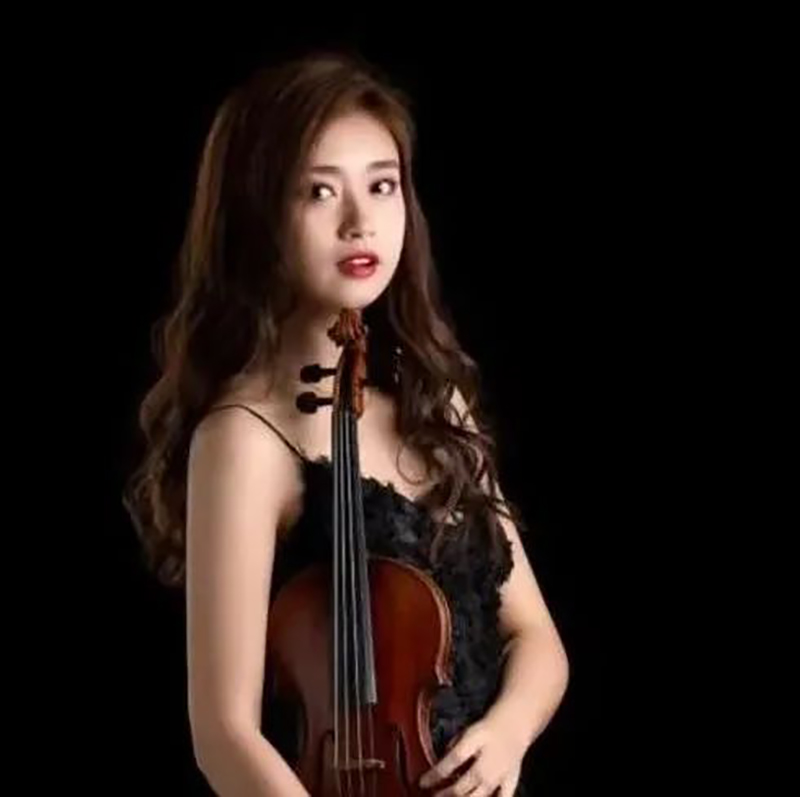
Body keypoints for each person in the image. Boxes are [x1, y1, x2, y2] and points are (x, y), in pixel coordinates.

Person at [124, 48, 569, 796]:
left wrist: (506, 734)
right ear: (259, 216)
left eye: (382, 185)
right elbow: (224, 735)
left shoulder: (435, 404)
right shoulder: (242, 439)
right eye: (319, 192)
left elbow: (537, 639)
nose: (361, 223)